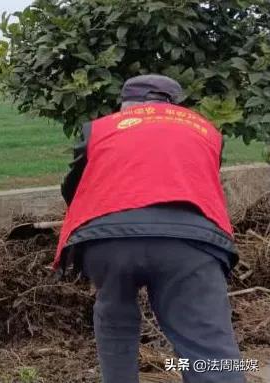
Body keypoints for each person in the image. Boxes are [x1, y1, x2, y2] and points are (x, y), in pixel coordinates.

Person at [54, 75, 244, 383]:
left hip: (107, 241)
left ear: (126, 103)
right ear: (173, 103)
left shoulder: (102, 128)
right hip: (190, 243)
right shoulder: (203, 129)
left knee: (114, 318)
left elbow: (73, 186)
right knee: (208, 343)